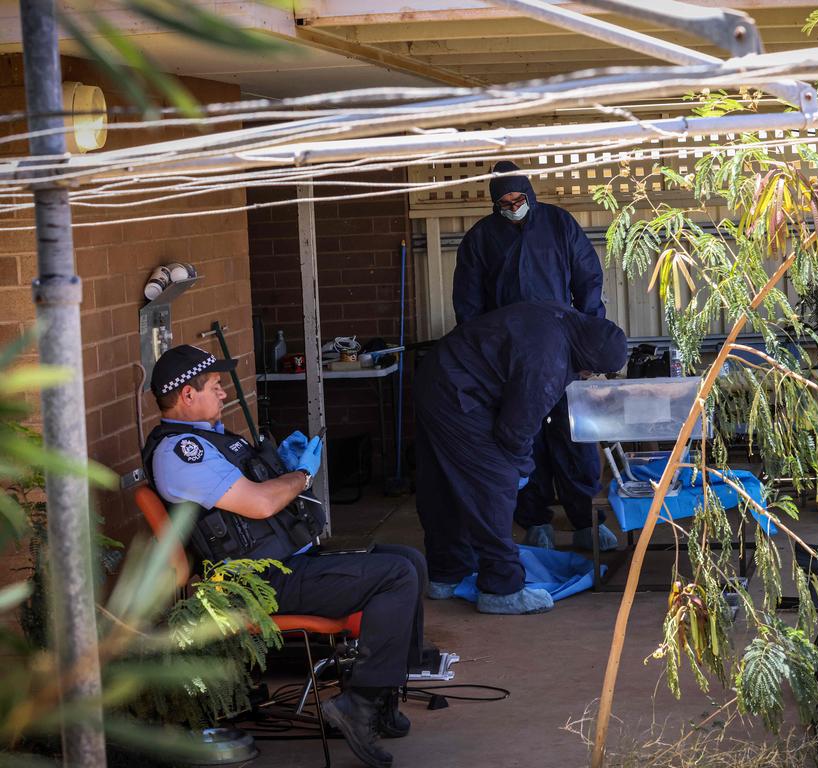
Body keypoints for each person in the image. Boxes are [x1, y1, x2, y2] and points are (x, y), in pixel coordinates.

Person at [142, 344, 422, 768]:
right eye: (216, 386)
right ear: (186, 395)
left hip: (285, 564)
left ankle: (381, 695)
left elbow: (261, 497)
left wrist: (282, 469)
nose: (224, 393)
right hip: (259, 585)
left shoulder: (211, 439)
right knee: (397, 575)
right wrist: (302, 474)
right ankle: (358, 703)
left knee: (409, 559)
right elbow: (259, 505)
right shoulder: (181, 453)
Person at [414, 302, 628, 615]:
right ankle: (502, 589)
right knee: (494, 483)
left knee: (444, 484)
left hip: (439, 377)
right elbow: (514, 432)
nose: (588, 375)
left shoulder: (562, 319)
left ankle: (447, 575)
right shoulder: (549, 364)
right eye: (591, 370)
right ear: (587, 359)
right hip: (459, 395)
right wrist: (521, 469)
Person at [452, 160, 617, 554]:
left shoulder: (560, 226)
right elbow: (469, 306)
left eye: (518, 199)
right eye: (504, 202)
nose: (512, 206)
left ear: (530, 194)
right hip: (508, 359)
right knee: (523, 437)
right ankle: (535, 520)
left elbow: (588, 282)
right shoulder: (480, 240)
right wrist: (480, 361)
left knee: (574, 433)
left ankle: (586, 521)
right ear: (494, 203)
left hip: (563, 351)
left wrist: (588, 344)